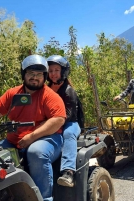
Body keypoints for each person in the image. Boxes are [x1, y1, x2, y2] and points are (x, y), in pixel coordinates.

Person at [0, 54, 66, 201]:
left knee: (36, 153)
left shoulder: (49, 96)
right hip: (15, 141)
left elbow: (58, 120)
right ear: (23, 74)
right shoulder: (13, 94)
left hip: (48, 138)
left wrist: (32, 137)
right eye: (31, 73)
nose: (35, 77)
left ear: (45, 77)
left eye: (39, 74)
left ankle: (44, 198)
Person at [47, 55, 81, 188]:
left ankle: (68, 172)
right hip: (52, 122)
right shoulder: (46, 89)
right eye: (50, 71)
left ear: (63, 71)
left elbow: (70, 115)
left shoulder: (68, 90)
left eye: (56, 70)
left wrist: (52, 123)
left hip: (70, 123)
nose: (53, 73)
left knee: (68, 134)